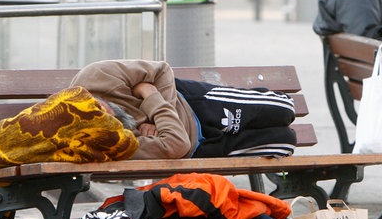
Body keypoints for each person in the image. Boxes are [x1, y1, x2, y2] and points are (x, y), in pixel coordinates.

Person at [70, 59, 297, 160]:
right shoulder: (107, 143)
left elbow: (161, 71)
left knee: (283, 108)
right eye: (101, 122)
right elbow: (177, 145)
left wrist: (157, 114)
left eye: (98, 108)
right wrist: (148, 94)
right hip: (197, 150)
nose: (105, 115)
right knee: (285, 141)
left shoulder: (96, 76)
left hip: (192, 103)